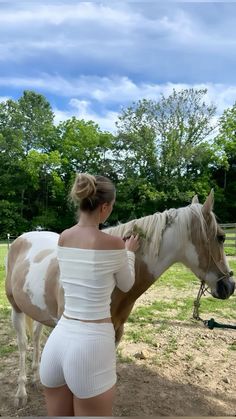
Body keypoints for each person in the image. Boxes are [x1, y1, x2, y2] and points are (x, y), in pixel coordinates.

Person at [39, 173, 140, 416]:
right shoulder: (114, 244)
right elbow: (126, 285)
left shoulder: (63, 237)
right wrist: (129, 253)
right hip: (91, 346)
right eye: (111, 207)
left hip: (57, 342)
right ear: (104, 207)